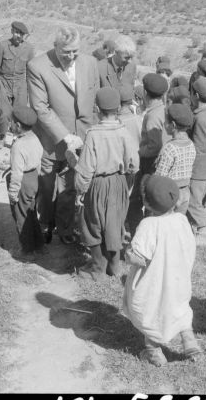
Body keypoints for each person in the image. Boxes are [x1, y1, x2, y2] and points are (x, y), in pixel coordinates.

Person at [27, 26, 99, 245]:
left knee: (69, 185)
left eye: (75, 51)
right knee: (47, 185)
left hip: (82, 135)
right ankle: (46, 224)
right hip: (51, 139)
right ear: (55, 47)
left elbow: (93, 99)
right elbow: (41, 108)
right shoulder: (37, 66)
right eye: (65, 52)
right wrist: (65, 136)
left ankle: (65, 228)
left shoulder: (90, 63)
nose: (71, 56)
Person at [123, 175, 201, 367]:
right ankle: (188, 338)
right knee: (180, 308)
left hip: (154, 283)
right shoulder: (182, 220)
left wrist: (127, 253)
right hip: (177, 279)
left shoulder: (149, 225)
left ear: (146, 203)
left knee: (151, 313)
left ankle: (153, 351)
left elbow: (138, 257)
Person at [74, 87, 139, 280]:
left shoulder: (93, 134)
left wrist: (80, 190)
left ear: (97, 108)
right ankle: (115, 265)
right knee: (115, 223)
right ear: (118, 108)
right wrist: (126, 183)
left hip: (98, 184)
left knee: (92, 223)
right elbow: (134, 164)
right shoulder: (124, 131)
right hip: (119, 182)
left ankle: (97, 268)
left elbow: (86, 168)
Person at [126, 73, 169, 236]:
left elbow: (154, 146)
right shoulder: (162, 110)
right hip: (157, 165)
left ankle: (138, 236)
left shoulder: (151, 116)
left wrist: (137, 152)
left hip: (149, 164)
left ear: (144, 93)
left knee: (136, 201)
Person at [6, 105, 46, 259]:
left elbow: (16, 174)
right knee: (31, 213)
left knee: (21, 215)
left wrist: (13, 193)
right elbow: (39, 162)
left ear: (17, 125)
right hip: (34, 179)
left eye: (11, 122)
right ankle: (39, 244)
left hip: (23, 182)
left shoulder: (18, 145)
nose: (10, 124)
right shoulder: (35, 138)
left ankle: (28, 250)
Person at [0, 21, 35, 149]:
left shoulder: (29, 49)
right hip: (4, 82)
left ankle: (17, 138)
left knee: (19, 112)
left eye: (21, 34)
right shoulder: (2, 46)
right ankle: (2, 135)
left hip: (21, 84)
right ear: (12, 31)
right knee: (4, 113)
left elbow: (31, 70)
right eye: (16, 32)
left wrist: (30, 89)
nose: (18, 36)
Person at [187, 77, 206, 245]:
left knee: (193, 201)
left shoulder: (200, 119)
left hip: (198, 168)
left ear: (196, 94)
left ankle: (202, 229)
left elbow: (198, 148)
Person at [154, 104, 196, 215]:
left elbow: (160, 177)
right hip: (185, 192)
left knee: (166, 223)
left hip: (170, 194)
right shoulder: (191, 144)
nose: (164, 124)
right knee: (178, 223)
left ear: (172, 125)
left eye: (166, 122)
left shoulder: (169, 148)